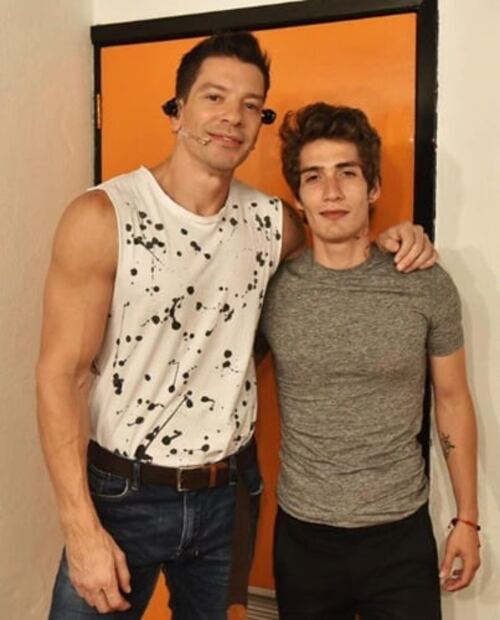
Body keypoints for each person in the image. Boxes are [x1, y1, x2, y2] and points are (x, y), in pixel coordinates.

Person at [36, 32, 436, 619]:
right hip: (123, 493)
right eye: (215, 97)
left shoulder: (272, 223)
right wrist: (79, 527)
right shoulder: (103, 217)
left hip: (228, 494)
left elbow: (339, 242)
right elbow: (59, 377)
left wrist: (396, 237)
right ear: (177, 111)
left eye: (251, 105)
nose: (233, 117)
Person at [258, 102, 480, 619]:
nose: (331, 192)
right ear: (298, 197)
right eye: (314, 177)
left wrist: (467, 520)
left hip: (399, 536)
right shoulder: (273, 290)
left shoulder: (423, 281)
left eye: (348, 173)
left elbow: (452, 399)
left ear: (373, 187)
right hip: (304, 538)